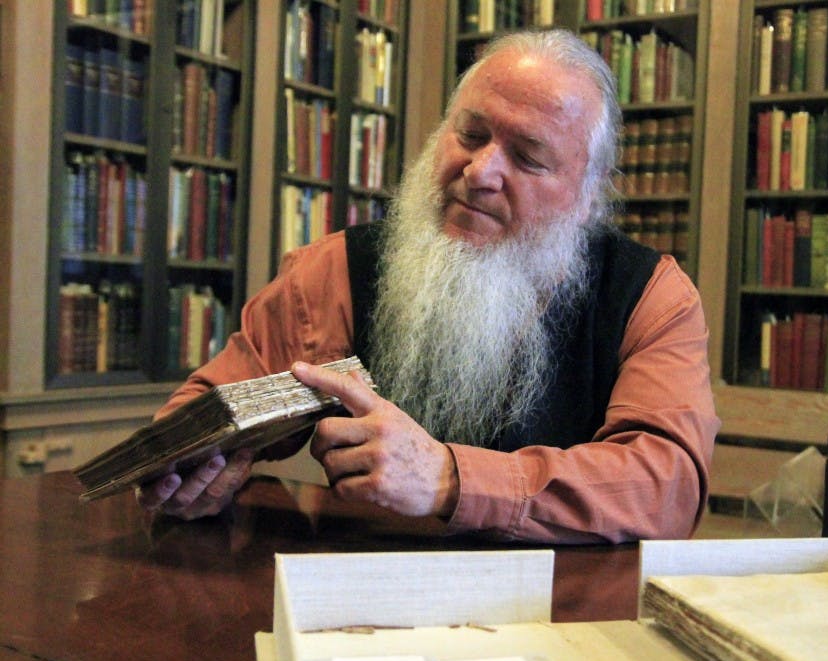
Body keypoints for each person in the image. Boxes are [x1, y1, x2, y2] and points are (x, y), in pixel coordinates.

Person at [138, 29, 720, 544]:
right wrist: (197, 477)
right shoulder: (339, 268)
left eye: (528, 158)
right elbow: (203, 412)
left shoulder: (651, 296)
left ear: (588, 195)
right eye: (470, 134)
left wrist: (448, 479)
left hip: (566, 623)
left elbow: (663, 484)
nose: (480, 172)